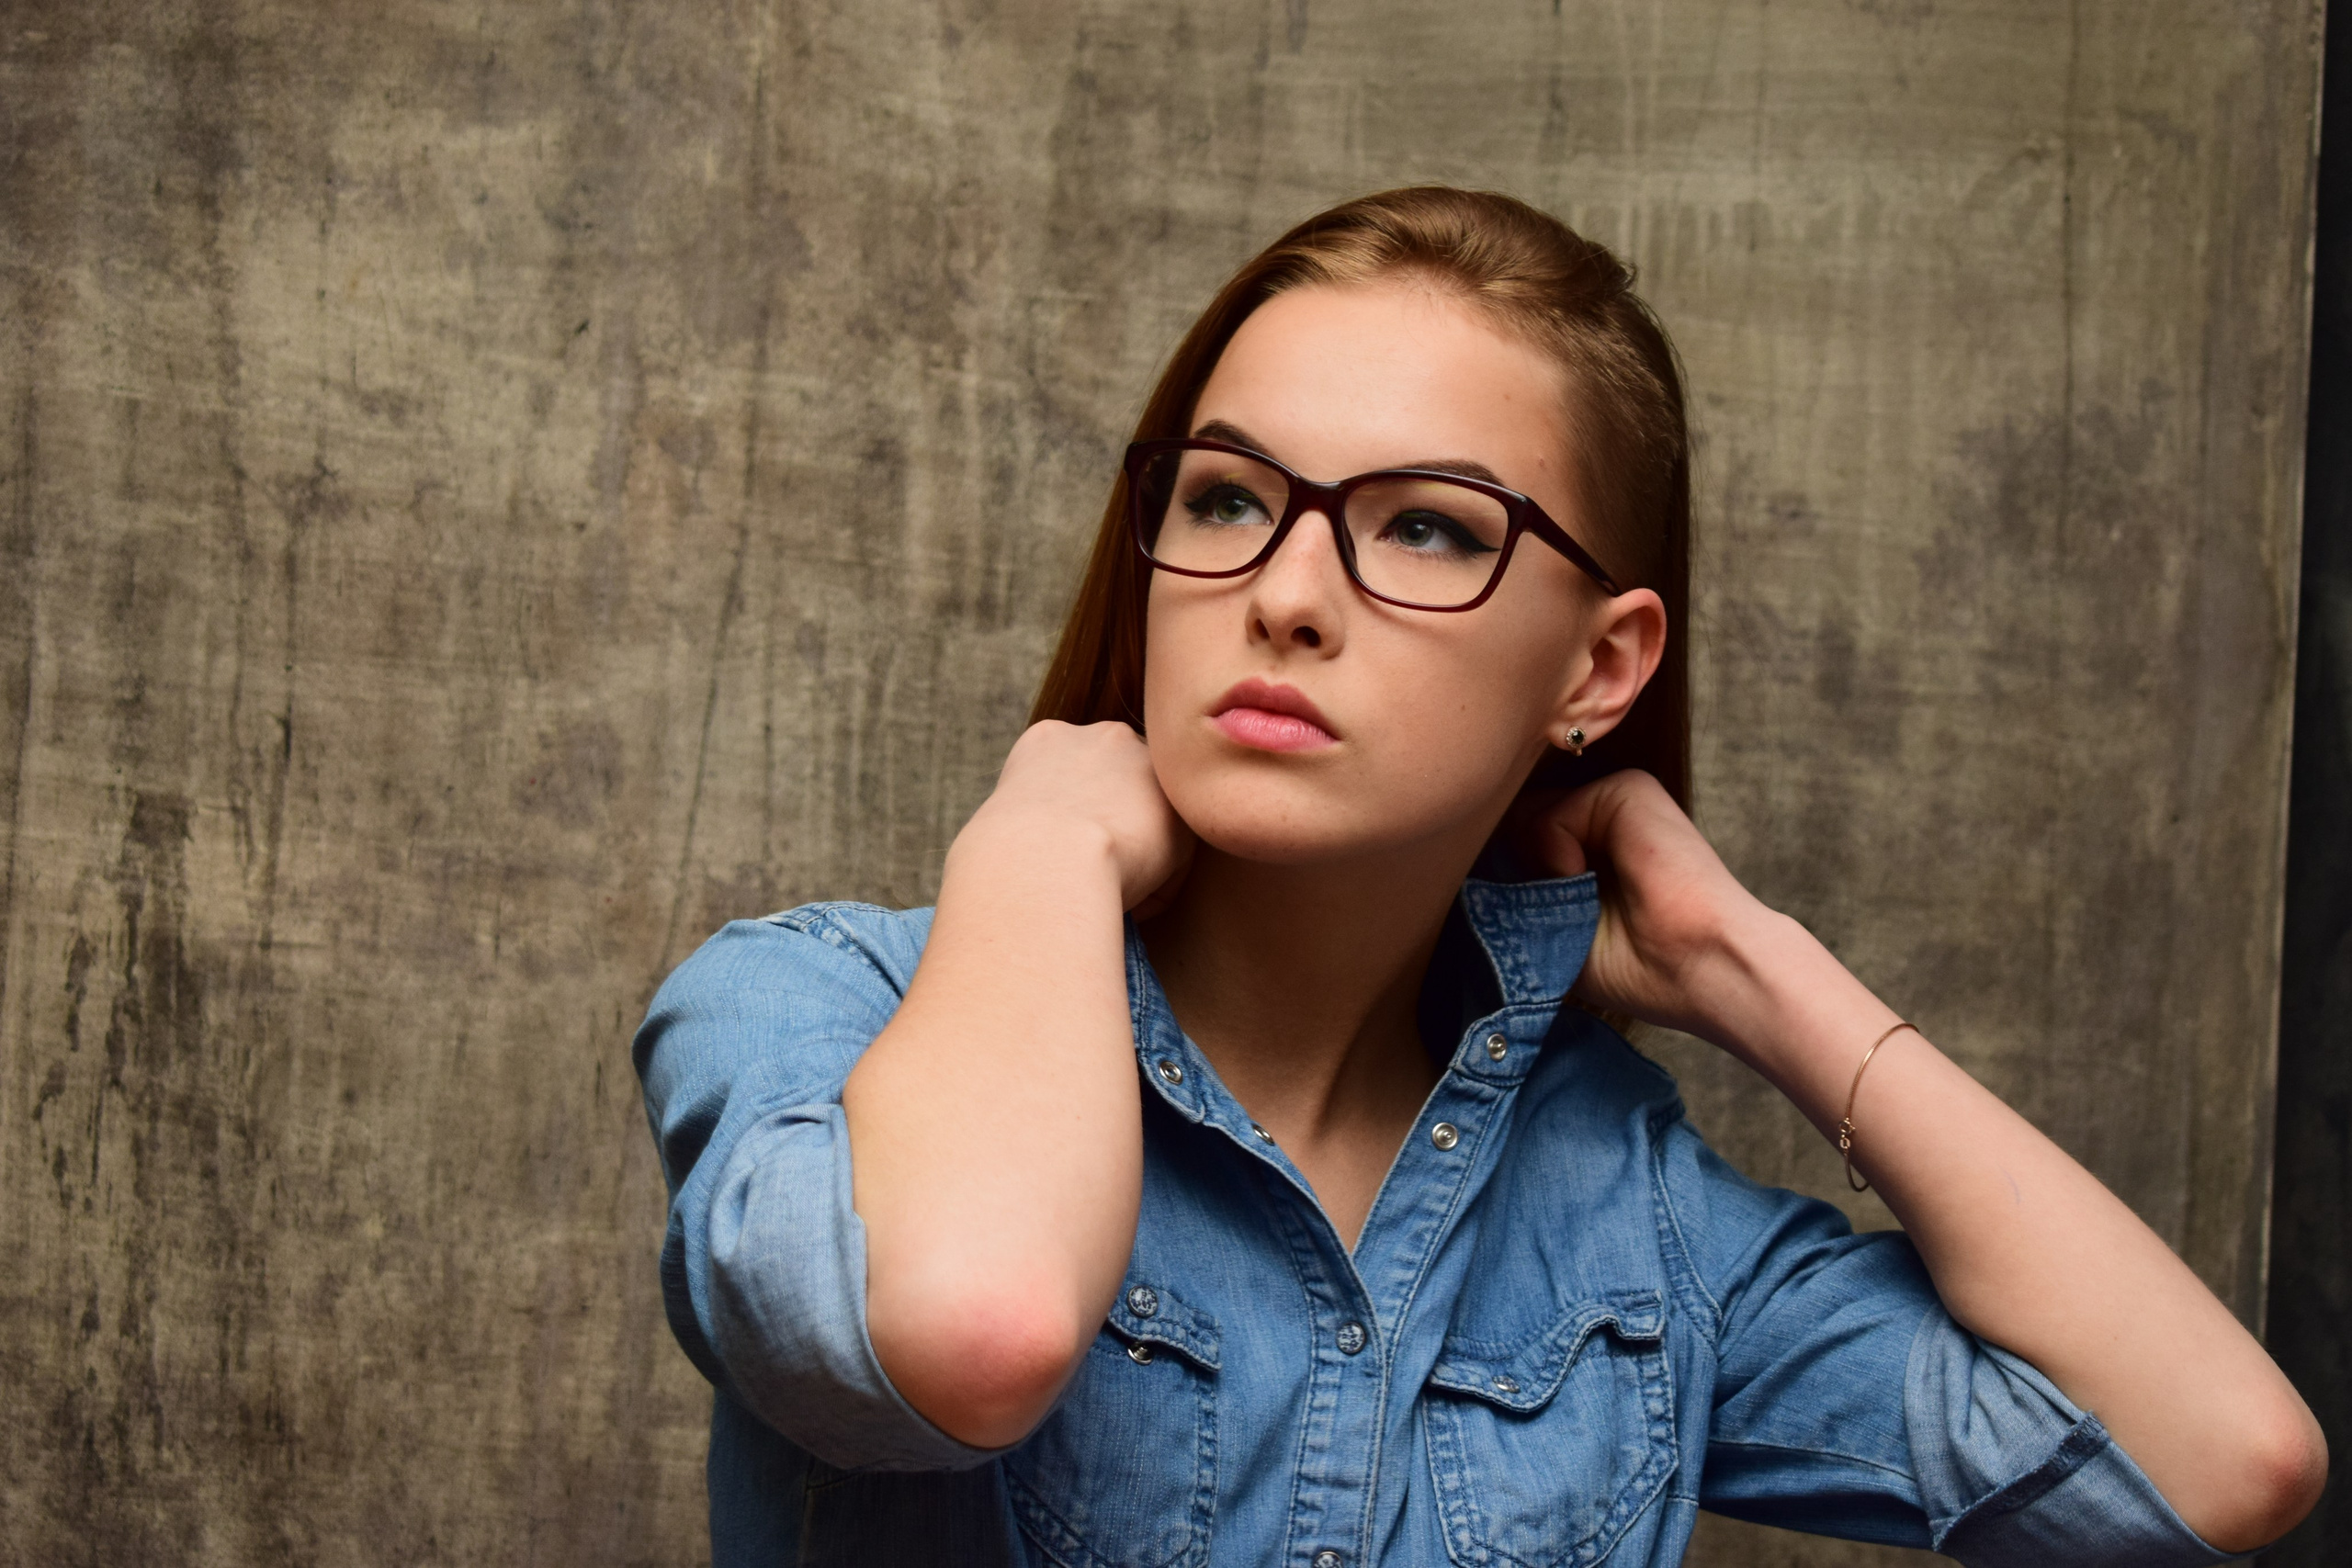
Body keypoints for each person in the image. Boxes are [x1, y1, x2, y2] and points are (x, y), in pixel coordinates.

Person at [633, 187, 2326, 1567]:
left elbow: (2218, 1467)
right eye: (1228, 499)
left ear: (1603, 670)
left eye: (1426, 525)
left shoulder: (1632, 1216)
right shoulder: (811, 1017)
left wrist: (1749, 965)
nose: (1285, 591)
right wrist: (1042, 844)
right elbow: (976, 1330)